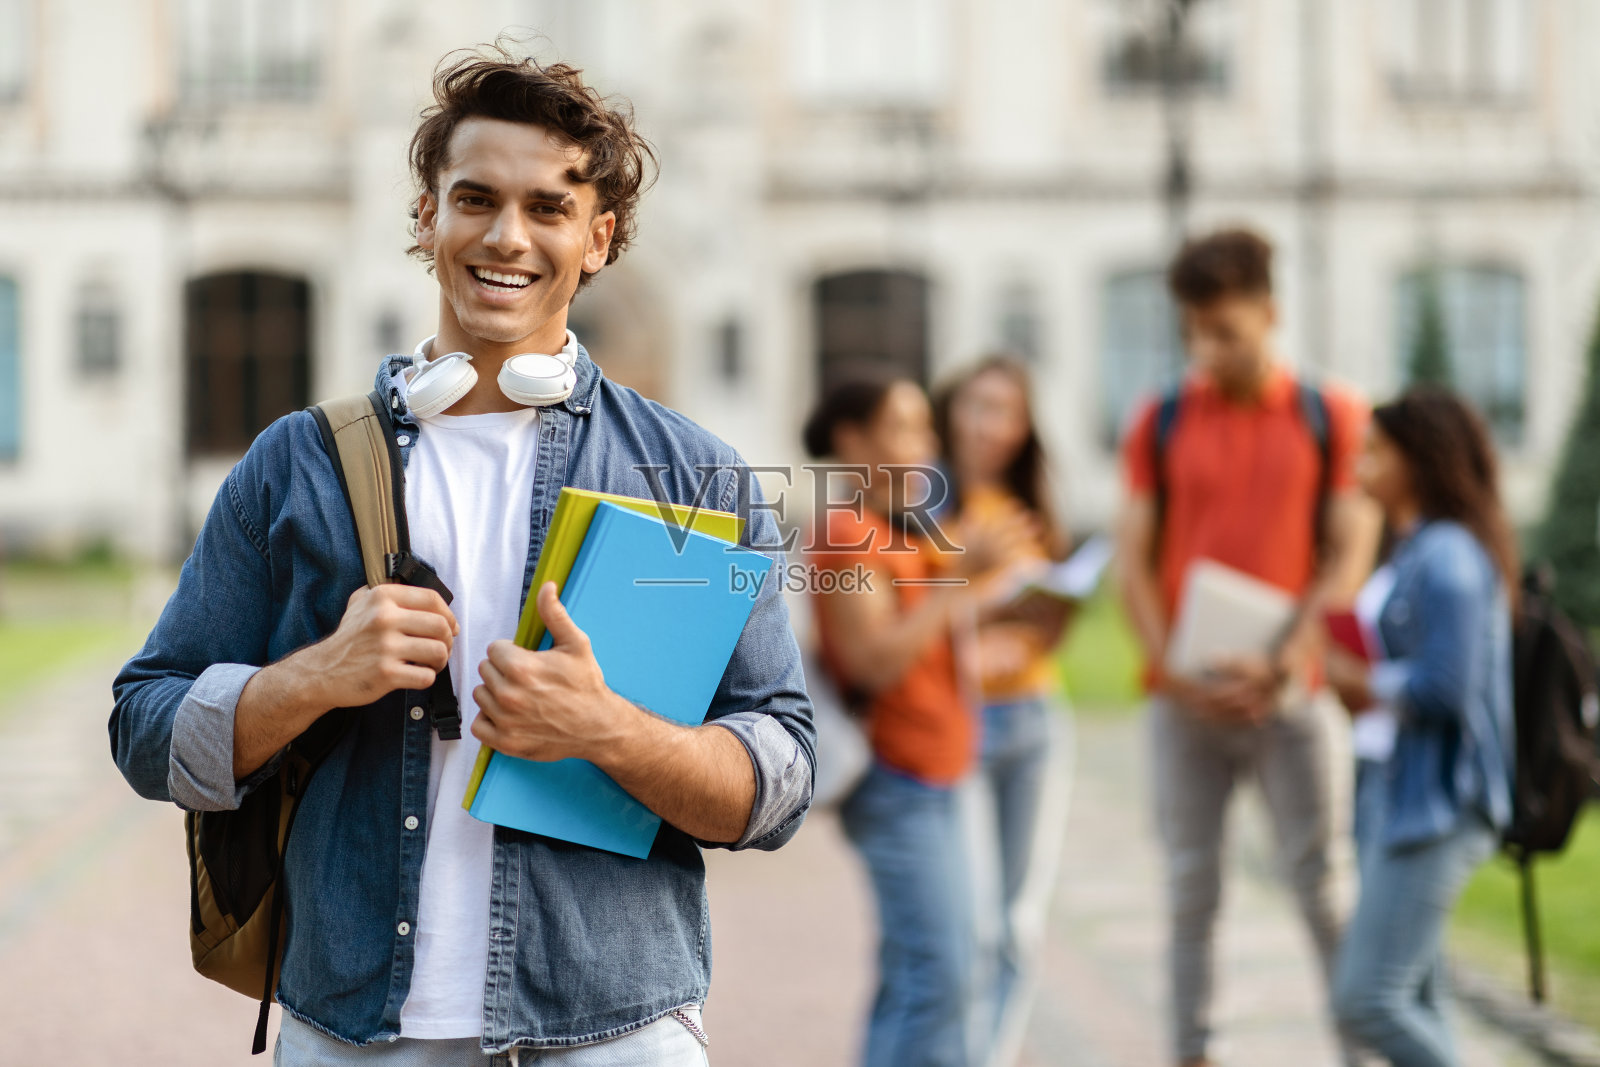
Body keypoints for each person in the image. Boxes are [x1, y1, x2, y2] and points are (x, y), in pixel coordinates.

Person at [110, 47, 814, 1065]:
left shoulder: (691, 474)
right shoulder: (296, 467)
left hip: (614, 1026)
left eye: (547, 207)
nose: (507, 236)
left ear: (599, 237)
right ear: (426, 218)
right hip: (353, 1023)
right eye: (474, 198)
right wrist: (314, 675)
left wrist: (607, 728)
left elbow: (779, 780)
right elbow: (145, 728)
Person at [1114, 227, 1380, 1067]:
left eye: (1225, 330)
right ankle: (1192, 1053)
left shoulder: (1331, 414)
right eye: (1194, 330)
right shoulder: (1158, 418)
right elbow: (1133, 559)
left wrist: (1284, 657)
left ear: (1271, 312)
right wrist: (1174, 670)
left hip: (1292, 695)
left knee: (1326, 888)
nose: (1207, 350)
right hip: (1186, 703)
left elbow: (1349, 546)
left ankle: (1361, 1051)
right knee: (1193, 889)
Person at [804, 374, 1024, 1067]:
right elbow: (873, 660)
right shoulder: (846, 533)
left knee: (917, 970)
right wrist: (962, 577)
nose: (925, 446)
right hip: (899, 779)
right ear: (853, 441)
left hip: (941, 771)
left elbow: (928, 626)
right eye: (904, 427)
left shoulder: (900, 528)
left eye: (925, 428)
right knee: (942, 975)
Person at [1327, 388, 1516, 1067]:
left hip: (1435, 804)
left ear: (1419, 459)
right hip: (1395, 790)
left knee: (1368, 998)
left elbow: (1446, 684)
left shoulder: (1450, 558)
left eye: (1375, 451)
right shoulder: (1411, 549)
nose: (1359, 463)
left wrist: (1361, 682)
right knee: (1420, 997)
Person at [932, 355, 1072, 1048]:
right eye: (976, 404)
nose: (988, 424)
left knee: (1018, 920)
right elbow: (909, 622)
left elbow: (1048, 629)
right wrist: (985, 595)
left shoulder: (1029, 510)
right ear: (951, 408)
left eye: (1005, 410)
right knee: (971, 922)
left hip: (1037, 719)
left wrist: (1052, 608)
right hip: (958, 722)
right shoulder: (921, 503)